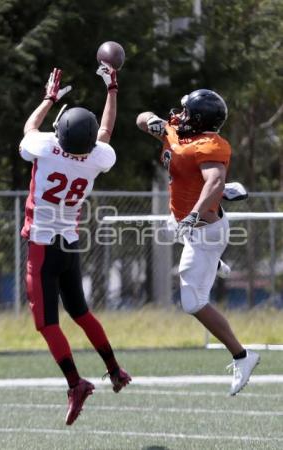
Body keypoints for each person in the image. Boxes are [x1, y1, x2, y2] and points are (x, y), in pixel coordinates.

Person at [19, 65, 131, 426]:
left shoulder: (45, 147)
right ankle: (114, 369)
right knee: (80, 313)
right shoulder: (98, 158)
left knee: (46, 324)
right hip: (70, 244)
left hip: (41, 245)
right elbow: (106, 131)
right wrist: (112, 89)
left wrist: (49, 99)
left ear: (61, 133)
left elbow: (29, 130)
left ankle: (76, 383)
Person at [136, 89, 260, 395]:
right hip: (185, 223)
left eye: (187, 113)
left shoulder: (210, 145)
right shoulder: (175, 132)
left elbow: (214, 181)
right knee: (168, 230)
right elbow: (141, 119)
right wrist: (154, 123)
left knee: (192, 302)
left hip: (206, 231)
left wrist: (194, 213)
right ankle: (213, 263)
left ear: (200, 119)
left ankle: (243, 356)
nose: (180, 116)